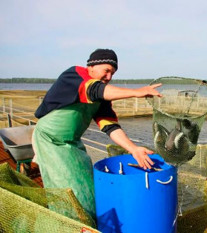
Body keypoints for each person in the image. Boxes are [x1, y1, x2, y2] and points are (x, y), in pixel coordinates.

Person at [32, 48, 162, 219]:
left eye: (112, 73)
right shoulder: (74, 75)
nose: (109, 77)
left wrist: (134, 149)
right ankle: (70, 224)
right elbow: (95, 90)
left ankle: (87, 221)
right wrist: (136, 92)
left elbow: (110, 127)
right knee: (68, 190)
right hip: (50, 140)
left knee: (88, 185)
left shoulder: (101, 96)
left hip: (72, 143)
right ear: (92, 66)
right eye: (107, 70)